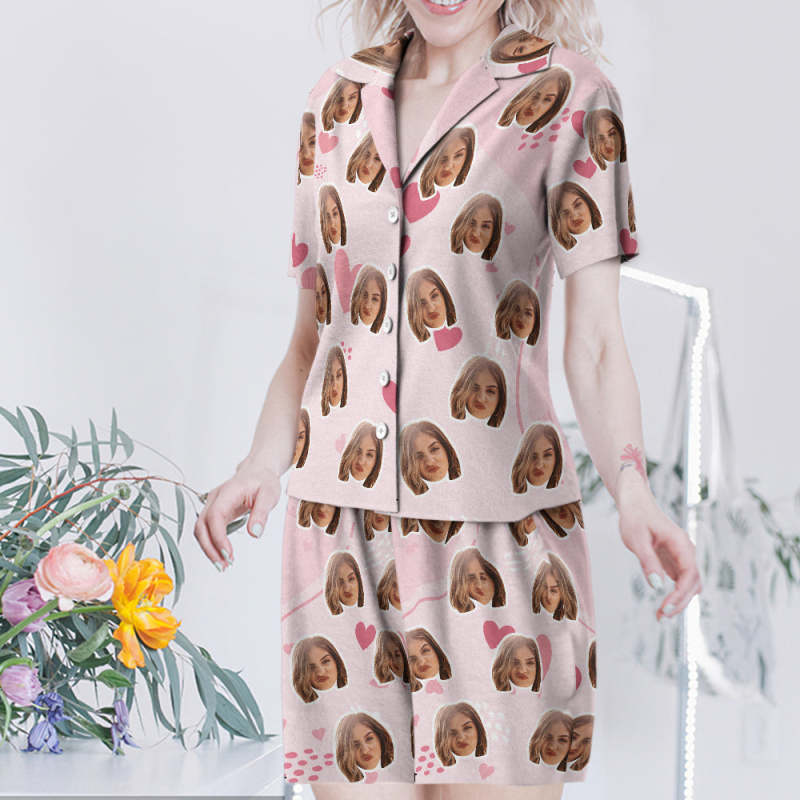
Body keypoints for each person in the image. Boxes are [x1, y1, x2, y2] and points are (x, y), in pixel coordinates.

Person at [194, 0, 703, 796]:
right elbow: (312, 338)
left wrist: (632, 491)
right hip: (340, 541)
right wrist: (260, 464)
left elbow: (598, 341)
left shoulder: (571, 98)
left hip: (499, 539)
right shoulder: (335, 102)